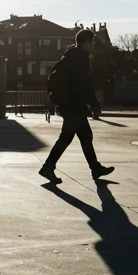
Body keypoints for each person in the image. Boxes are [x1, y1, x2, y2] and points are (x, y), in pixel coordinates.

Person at [38, 28, 113, 184]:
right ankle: (48, 167)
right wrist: (94, 103)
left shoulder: (71, 56)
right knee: (66, 138)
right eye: (92, 42)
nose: (93, 45)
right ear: (85, 43)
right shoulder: (80, 58)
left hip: (70, 105)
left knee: (85, 136)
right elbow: (84, 84)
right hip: (73, 106)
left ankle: (95, 168)